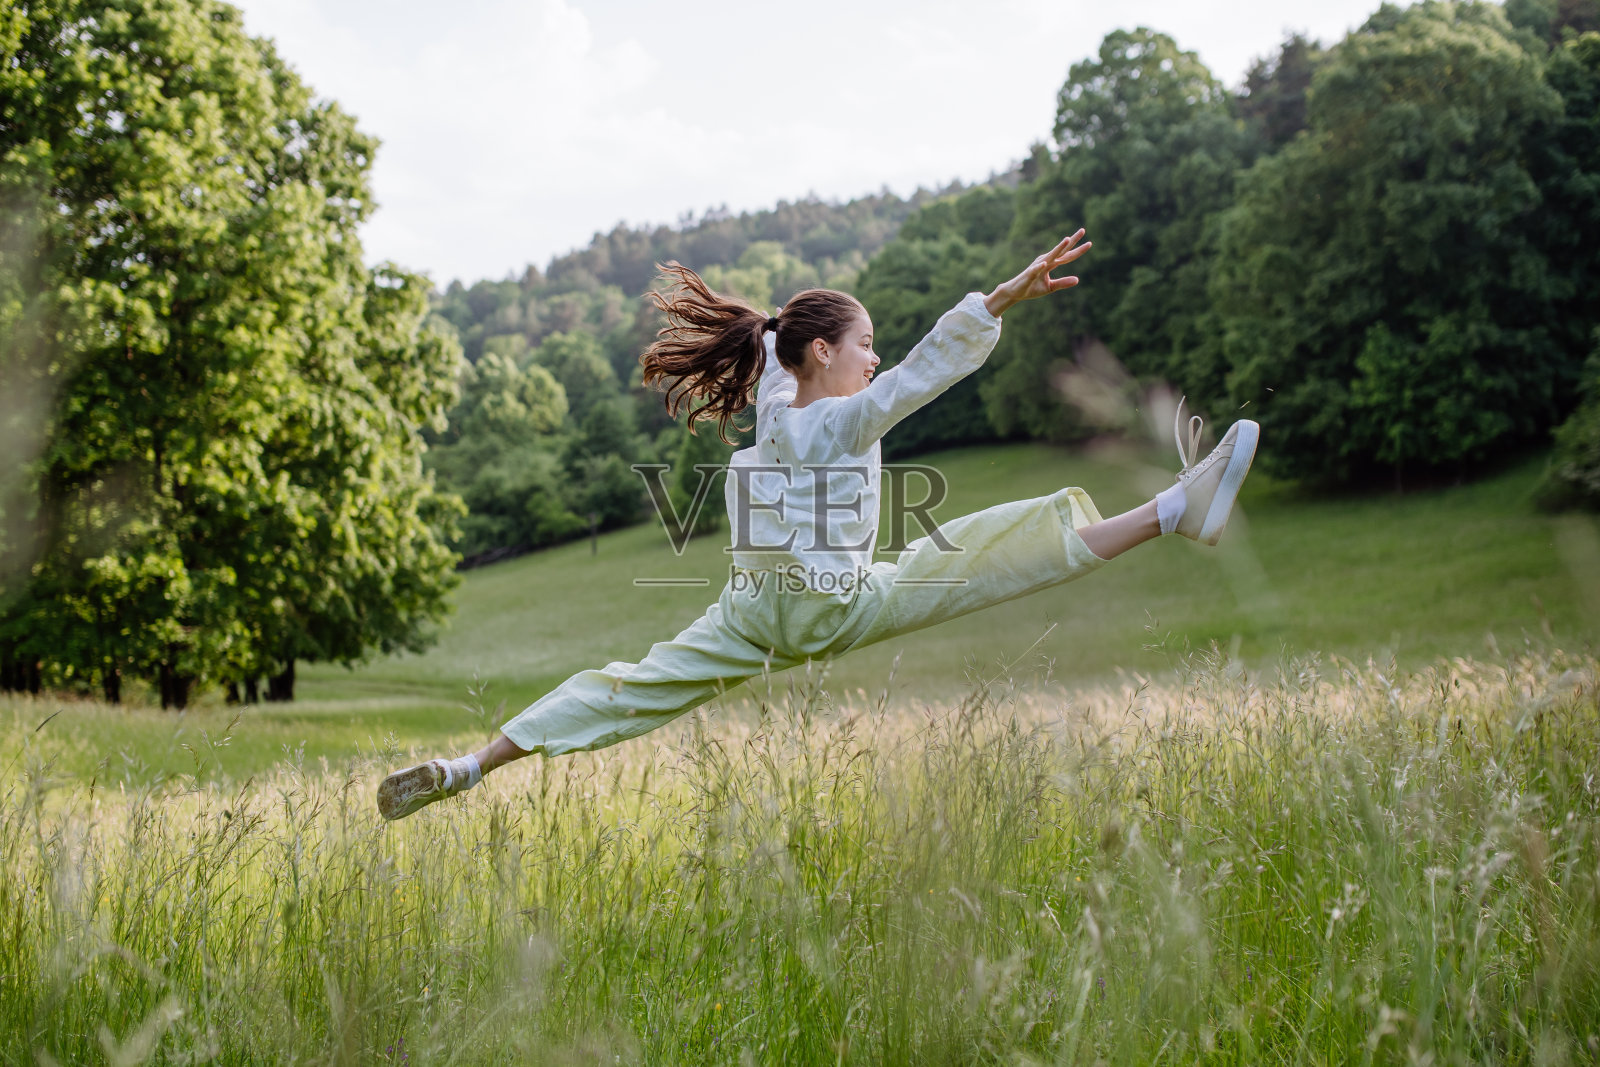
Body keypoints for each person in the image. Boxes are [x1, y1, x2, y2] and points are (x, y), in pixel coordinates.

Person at [376, 230, 1258, 821]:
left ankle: (468, 767)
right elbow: (913, 380)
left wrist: (769, 335)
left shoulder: (777, 406)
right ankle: (1175, 510)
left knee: (629, 684)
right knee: (992, 553)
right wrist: (996, 301)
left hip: (750, 613)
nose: (875, 354)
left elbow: (772, 352)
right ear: (826, 355)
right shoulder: (835, 421)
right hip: (830, 601)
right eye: (864, 342)